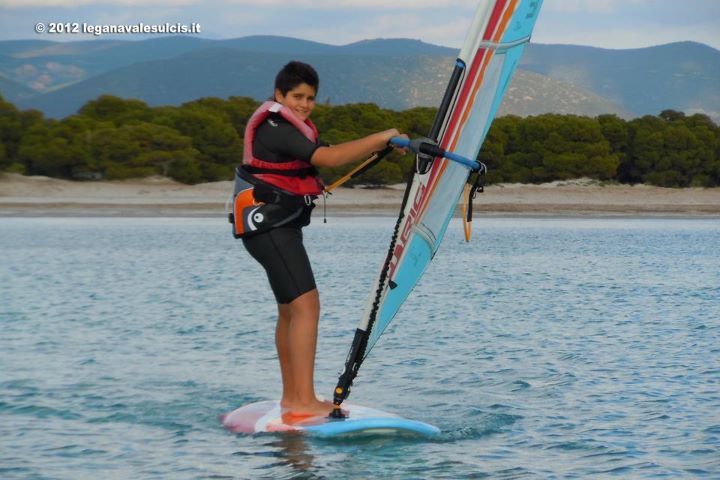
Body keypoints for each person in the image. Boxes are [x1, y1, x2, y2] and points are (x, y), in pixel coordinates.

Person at [239, 61, 407, 419]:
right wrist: (380, 136)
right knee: (306, 306)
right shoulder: (274, 126)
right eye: (297, 96)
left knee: (290, 310)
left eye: (310, 98)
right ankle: (301, 401)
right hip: (269, 228)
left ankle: (292, 398)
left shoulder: (291, 128)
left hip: (270, 227)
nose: (303, 104)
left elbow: (327, 150)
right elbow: (327, 158)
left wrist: (386, 144)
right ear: (279, 94)